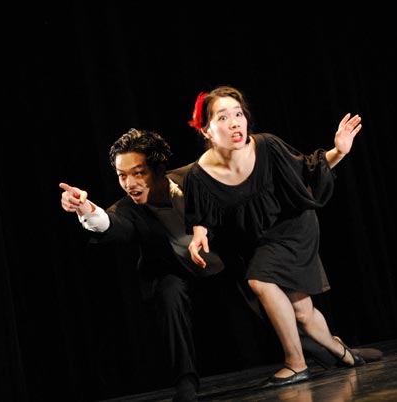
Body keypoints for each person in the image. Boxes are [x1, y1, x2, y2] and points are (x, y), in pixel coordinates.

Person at [59, 128, 380, 401]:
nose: (130, 183)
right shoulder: (128, 209)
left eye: (138, 172)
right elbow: (110, 224)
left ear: (157, 168)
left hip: (227, 261)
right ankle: (185, 383)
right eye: (122, 176)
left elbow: (264, 183)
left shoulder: (195, 179)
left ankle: (334, 352)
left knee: (280, 306)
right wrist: (86, 210)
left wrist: (336, 152)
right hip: (178, 271)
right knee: (168, 294)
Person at [183, 85, 367, 387]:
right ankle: (342, 352)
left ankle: (296, 363)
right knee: (303, 312)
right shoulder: (198, 175)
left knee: (259, 280)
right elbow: (201, 216)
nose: (235, 123)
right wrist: (198, 235)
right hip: (259, 240)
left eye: (239, 114)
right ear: (206, 130)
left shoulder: (267, 147)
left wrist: (339, 151)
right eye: (223, 117)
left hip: (294, 227)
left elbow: (308, 172)